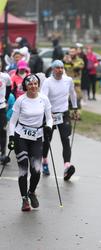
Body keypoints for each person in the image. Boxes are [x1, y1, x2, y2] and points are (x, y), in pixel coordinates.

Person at [8, 74, 53, 211]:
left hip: (37, 137)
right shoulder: (21, 100)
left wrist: (48, 127)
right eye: (30, 84)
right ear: (25, 86)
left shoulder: (44, 99)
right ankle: (24, 200)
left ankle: (31, 192)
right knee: (23, 169)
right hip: (21, 136)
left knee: (36, 170)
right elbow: (13, 121)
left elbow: (49, 118)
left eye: (35, 84)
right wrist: (11, 137)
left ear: (38, 85)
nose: (33, 86)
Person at [40, 60, 78, 180]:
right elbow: (43, 98)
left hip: (64, 113)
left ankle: (67, 166)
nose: (60, 70)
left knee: (65, 139)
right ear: (53, 69)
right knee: (47, 140)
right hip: (50, 114)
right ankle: (44, 161)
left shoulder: (68, 80)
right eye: (57, 68)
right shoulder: (47, 82)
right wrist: (47, 111)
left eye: (62, 68)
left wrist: (75, 108)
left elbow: (73, 93)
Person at [63, 47, 84, 119]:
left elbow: (78, 68)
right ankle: (70, 115)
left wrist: (71, 62)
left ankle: (77, 115)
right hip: (67, 84)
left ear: (76, 52)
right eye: (70, 52)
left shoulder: (79, 60)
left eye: (73, 52)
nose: (71, 53)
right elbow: (61, 69)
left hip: (76, 84)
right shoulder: (66, 60)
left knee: (77, 99)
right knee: (68, 100)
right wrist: (63, 61)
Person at [0, 69, 11, 163]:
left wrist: (5, 99)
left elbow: (9, 87)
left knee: (3, 130)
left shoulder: (5, 76)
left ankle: (3, 153)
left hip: (1, 107)